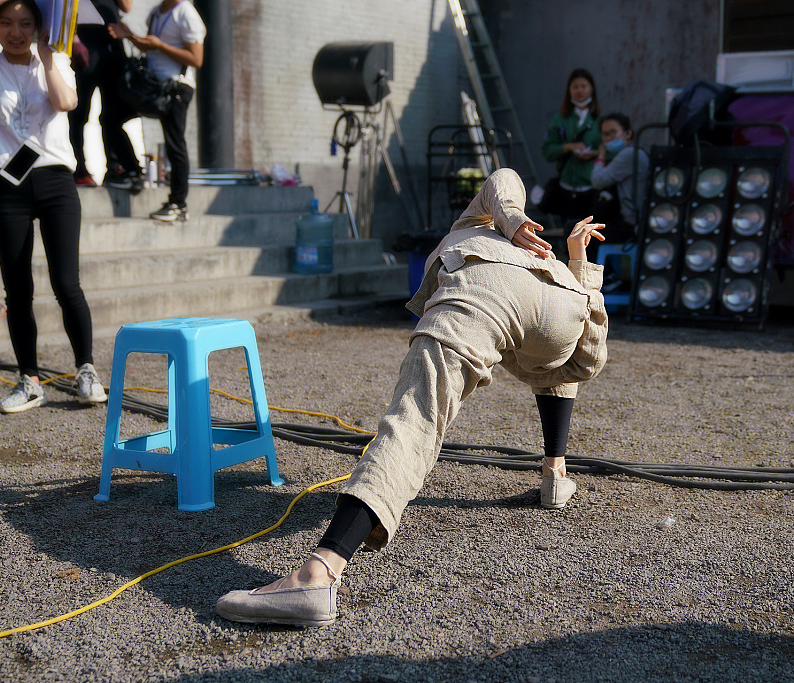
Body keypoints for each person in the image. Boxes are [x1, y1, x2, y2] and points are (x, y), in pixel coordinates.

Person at [216, 168, 609, 628]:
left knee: (417, 418)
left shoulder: (473, 226)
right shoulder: (544, 258)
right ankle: (555, 474)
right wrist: (577, 265)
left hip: (483, 288)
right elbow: (582, 362)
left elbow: (504, 178)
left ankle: (318, 574)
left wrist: (513, 216)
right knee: (552, 366)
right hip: (563, 301)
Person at [0, 0, 107, 412]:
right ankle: (29, 379)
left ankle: (86, 369)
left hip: (54, 182)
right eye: (6, 23)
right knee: (18, 289)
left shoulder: (57, 58)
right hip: (5, 186)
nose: (16, 31)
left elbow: (66, 102)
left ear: (39, 25)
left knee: (67, 284)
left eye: (26, 22)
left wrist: (47, 56)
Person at [108, 0, 204, 222]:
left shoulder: (186, 14)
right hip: (150, 85)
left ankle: (178, 204)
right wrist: (130, 36)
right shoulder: (156, 12)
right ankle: (133, 171)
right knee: (110, 118)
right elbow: (148, 46)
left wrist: (160, 45)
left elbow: (196, 59)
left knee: (175, 144)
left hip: (175, 88)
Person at [67, 0, 142, 192]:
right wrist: (73, 39)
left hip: (113, 48)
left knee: (111, 114)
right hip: (86, 45)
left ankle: (115, 168)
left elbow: (127, 6)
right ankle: (80, 168)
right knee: (80, 113)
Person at [588, 113, 650, 289]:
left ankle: (605, 280)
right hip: (627, 219)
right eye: (605, 135)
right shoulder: (630, 153)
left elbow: (598, 180)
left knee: (579, 232)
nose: (608, 139)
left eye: (613, 133)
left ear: (628, 133)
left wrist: (600, 156)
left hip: (632, 224)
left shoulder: (629, 155)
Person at [538, 68, 602, 224]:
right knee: (569, 234)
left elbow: (613, 150)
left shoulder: (601, 120)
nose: (579, 90)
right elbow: (547, 151)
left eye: (583, 86)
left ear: (591, 88)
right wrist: (567, 147)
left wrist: (594, 154)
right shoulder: (560, 120)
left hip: (592, 187)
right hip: (566, 187)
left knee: (591, 236)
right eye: (575, 86)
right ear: (569, 90)